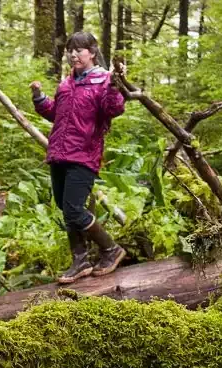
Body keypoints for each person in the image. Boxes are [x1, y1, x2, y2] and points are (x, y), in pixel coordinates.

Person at [30, 32, 128, 284]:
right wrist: (40, 100)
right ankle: (80, 260)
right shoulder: (66, 83)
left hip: (84, 154)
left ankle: (111, 249)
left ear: (92, 53)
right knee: (66, 208)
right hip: (59, 152)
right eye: (70, 50)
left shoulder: (104, 80)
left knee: (74, 209)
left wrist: (117, 85)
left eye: (79, 50)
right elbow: (57, 115)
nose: (73, 55)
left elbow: (113, 109)